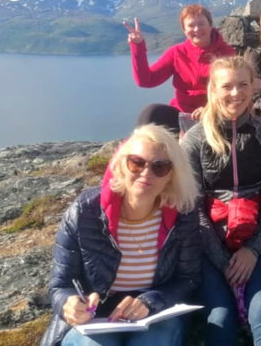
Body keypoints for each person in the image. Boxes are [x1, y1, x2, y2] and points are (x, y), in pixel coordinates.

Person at [41, 124, 202, 346]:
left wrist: (150, 301)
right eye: (136, 162)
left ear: (171, 176)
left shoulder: (183, 213)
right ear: (121, 165)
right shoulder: (84, 211)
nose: (146, 173)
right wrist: (69, 303)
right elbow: (60, 284)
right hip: (96, 316)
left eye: (160, 167)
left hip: (155, 314)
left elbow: (189, 277)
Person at [181, 56, 261, 346]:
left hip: (257, 239)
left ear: (254, 87)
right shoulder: (195, 139)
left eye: (243, 85)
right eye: (226, 86)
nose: (236, 93)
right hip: (211, 244)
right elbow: (193, 207)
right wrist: (223, 260)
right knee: (221, 319)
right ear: (213, 90)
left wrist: (252, 249)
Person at [124, 4, 236, 133]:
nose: (197, 29)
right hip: (182, 114)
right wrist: (138, 46)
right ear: (184, 29)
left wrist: (210, 109)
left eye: (201, 23)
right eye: (191, 25)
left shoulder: (227, 54)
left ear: (210, 25)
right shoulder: (177, 53)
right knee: (151, 113)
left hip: (213, 114)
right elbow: (146, 80)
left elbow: (232, 91)